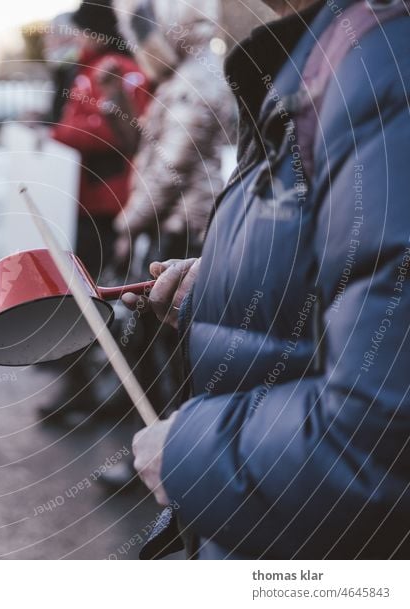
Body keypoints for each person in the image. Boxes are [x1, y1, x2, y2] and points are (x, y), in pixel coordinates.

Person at [125, 0, 410, 558]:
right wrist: (220, 284)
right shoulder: (326, 53)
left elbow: (379, 433)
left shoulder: (379, 63)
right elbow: (332, 269)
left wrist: (184, 452)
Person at [98, 0, 234, 488]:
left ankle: (169, 457)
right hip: (181, 225)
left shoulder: (194, 81)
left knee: (165, 353)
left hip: (181, 228)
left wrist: (126, 225)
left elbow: (170, 168)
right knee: (168, 353)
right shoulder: (195, 74)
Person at [40, 0, 151, 423]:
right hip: (83, 204)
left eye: (83, 29)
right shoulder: (86, 69)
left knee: (100, 301)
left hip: (111, 206)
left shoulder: (118, 67)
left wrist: (60, 133)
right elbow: (77, 120)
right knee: (81, 298)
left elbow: (117, 130)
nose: (75, 36)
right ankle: (82, 387)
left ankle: (100, 392)